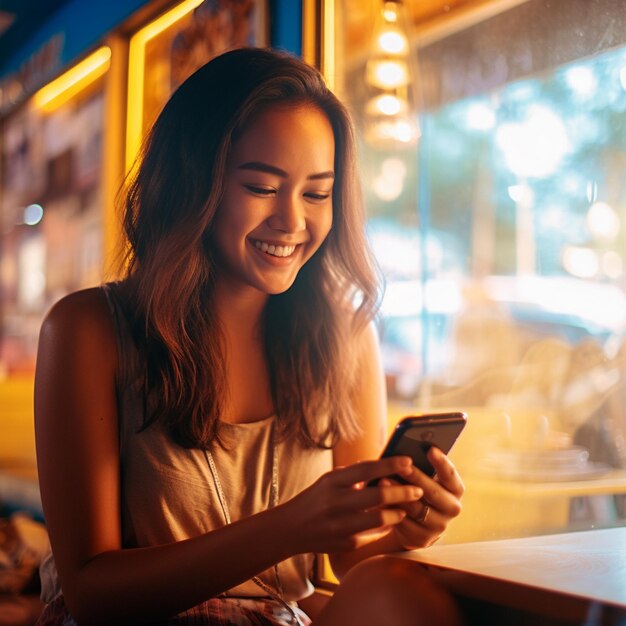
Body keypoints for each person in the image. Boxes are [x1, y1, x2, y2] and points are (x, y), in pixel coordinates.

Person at [34, 47, 465, 625]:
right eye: (262, 187)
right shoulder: (89, 330)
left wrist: (413, 528)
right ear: (191, 184)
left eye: (316, 193)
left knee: (401, 592)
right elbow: (91, 595)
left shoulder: (345, 336)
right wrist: (291, 527)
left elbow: (350, 557)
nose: (292, 222)